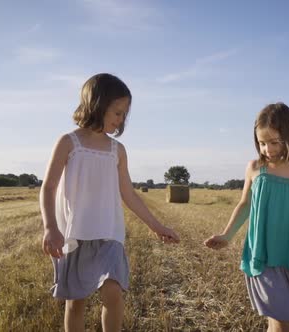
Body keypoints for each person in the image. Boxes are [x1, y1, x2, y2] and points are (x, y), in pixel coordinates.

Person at [40, 73, 180, 331]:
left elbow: (129, 194)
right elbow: (48, 187)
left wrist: (157, 226)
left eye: (124, 114)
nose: (121, 119)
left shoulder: (118, 150)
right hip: (75, 236)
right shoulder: (68, 143)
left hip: (109, 235)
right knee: (76, 303)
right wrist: (50, 227)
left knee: (113, 293)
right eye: (117, 112)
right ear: (97, 104)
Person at [204, 102, 289, 332]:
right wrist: (226, 235)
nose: (267, 149)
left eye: (274, 142)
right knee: (281, 323)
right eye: (262, 143)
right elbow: (245, 204)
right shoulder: (254, 168)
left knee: (280, 323)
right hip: (264, 256)